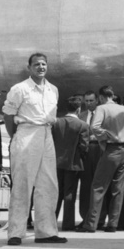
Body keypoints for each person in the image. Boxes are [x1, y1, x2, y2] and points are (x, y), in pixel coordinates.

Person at [3, 53, 66, 245]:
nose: (41, 67)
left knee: (48, 184)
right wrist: (17, 137)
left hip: (46, 134)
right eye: (37, 64)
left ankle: (46, 232)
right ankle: (15, 232)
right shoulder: (20, 89)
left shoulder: (53, 90)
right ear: (29, 68)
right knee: (22, 184)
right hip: (26, 132)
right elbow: (8, 115)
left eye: (44, 64)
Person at [76, 85, 124, 233]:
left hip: (111, 151)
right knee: (118, 189)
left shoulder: (102, 109)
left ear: (101, 97)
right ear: (112, 95)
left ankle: (90, 224)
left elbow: (94, 127)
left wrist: (107, 136)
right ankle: (113, 224)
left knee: (98, 187)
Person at [52, 96, 89, 231]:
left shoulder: (56, 123)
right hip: (73, 164)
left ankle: (51, 221)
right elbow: (84, 146)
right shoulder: (83, 125)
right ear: (79, 109)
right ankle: (67, 224)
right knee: (70, 194)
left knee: (56, 193)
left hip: (56, 163)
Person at [78, 90, 101, 223]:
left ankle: (99, 217)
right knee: (85, 186)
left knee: (98, 186)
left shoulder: (103, 113)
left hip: (99, 150)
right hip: (85, 153)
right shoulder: (81, 115)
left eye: (91, 100)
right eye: (86, 101)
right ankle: (85, 216)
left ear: (97, 101)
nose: (88, 103)